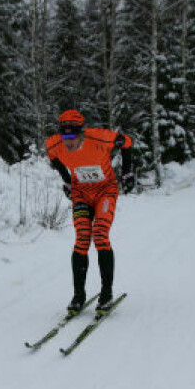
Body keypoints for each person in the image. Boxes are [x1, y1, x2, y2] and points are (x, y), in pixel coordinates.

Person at [46, 109, 133, 314]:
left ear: (81, 132)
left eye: (72, 135)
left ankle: (106, 293)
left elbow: (126, 142)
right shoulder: (54, 143)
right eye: (63, 135)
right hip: (81, 194)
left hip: (105, 191)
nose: (68, 141)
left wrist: (128, 173)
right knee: (82, 239)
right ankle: (78, 295)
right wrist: (67, 181)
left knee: (100, 234)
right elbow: (53, 157)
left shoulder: (99, 138)